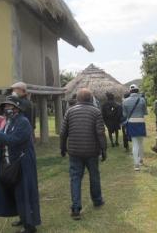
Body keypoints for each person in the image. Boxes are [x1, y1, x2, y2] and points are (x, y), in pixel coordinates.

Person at [0, 96, 41, 233]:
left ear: (17, 108)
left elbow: (13, 140)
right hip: (10, 164)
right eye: (5, 106)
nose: (7, 109)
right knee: (15, 193)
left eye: (10, 106)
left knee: (24, 193)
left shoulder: (23, 122)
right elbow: (0, 139)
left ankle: (30, 226)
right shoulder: (8, 122)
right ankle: (23, 218)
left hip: (22, 164)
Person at [60, 88, 107, 220]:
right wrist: (104, 150)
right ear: (90, 99)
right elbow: (100, 133)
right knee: (94, 176)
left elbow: (63, 132)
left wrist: (62, 148)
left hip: (74, 152)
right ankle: (97, 201)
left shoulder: (69, 111)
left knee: (75, 178)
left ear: (78, 99)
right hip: (92, 151)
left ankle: (75, 208)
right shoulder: (96, 112)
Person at [122, 84, 148, 171]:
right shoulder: (142, 100)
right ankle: (141, 160)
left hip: (131, 122)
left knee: (134, 144)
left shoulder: (125, 101)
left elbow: (124, 114)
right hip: (140, 121)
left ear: (130, 91)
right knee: (141, 143)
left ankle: (136, 165)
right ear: (138, 91)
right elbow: (145, 112)